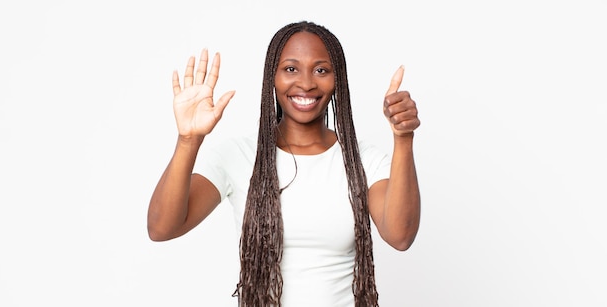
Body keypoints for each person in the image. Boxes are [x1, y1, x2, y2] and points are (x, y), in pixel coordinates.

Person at [147, 21, 421, 307]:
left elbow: (400, 236)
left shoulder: (362, 160)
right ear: (272, 78)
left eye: (321, 70)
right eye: (291, 69)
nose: (305, 82)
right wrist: (188, 140)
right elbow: (162, 228)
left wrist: (403, 138)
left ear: (337, 79)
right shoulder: (238, 156)